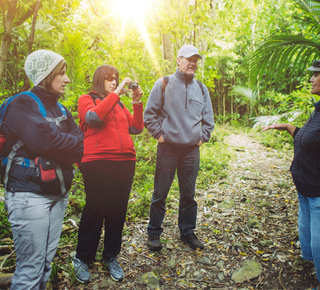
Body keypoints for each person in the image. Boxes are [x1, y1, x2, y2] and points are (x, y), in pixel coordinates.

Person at [3, 49, 83, 289]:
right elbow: (46, 142)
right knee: (30, 268)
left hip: (58, 194)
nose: (67, 79)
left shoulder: (60, 109)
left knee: (46, 264)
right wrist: (63, 141)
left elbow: (80, 145)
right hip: (28, 196)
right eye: (62, 73)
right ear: (46, 75)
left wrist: (61, 142)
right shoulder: (22, 103)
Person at [73, 65, 144, 283]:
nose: (113, 82)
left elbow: (137, 128)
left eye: (116, 79)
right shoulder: (87, 99)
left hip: (124, 163)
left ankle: (110, 256)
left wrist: (136, 102)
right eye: (108, 79)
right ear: (98, 80)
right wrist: (115, 95)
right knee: (95, 209)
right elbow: (93, 118)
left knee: (117, 211)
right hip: (98, 162)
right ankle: (82, 259)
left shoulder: (119, 104)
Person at [144, 45, 215, 251]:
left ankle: (187, 232)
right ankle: (154, 232)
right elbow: (150, 114)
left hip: (191, 151)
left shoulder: (201, 89)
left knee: (189, 194)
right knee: (160, 193)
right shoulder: (164, 83)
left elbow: (208, 120)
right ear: (178, 60)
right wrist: (159, 134)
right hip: (168, 149)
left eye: (196, 60)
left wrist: (202, 137)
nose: (193, 63)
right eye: (188, 59)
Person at [262, 60, 320, 290]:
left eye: (316, 75)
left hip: (316, 189)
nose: (312, 79)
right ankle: (307, 262)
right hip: (304, 185)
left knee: (318, 237)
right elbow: (308, 138)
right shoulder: (317, 111)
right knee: (305, 228)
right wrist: (286, 126)